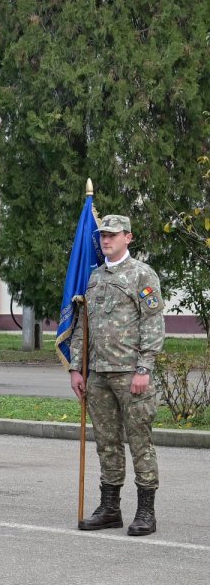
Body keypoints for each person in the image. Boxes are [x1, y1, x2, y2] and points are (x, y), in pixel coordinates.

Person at [69, 214, 164, 536]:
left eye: (112, 235)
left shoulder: (141, 274)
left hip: (130, 374)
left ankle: (145, 512)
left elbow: (152, 323)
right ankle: (110, 508)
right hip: (98, 374)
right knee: (107, 444)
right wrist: (76, 369)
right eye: (102, 236)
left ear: (128, 237)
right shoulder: (94, 277)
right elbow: (83, 325)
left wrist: (144, 367)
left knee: (140, 442)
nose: (105, 240)